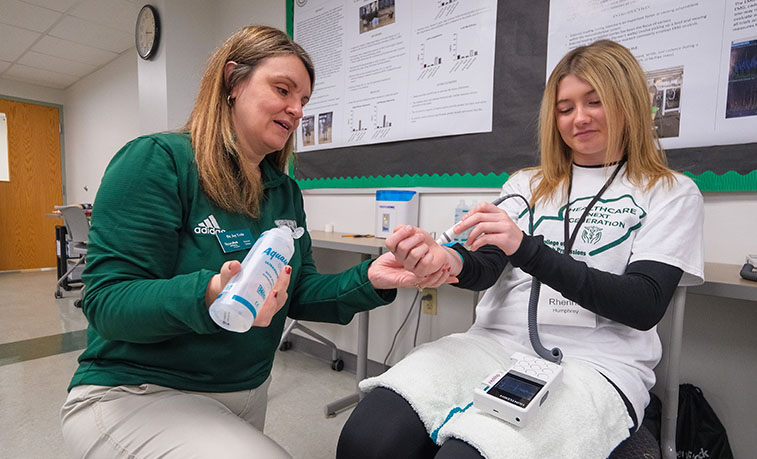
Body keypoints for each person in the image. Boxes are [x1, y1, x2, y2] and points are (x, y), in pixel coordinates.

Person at [60, 25, 425, 458]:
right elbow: (108, 303)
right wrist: (210, 293)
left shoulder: (283, 191)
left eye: (303, 101)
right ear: (233, 82)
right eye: (283, 90)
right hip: (139, 392)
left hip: (241, 395)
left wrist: (373, 278)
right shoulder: (158, 162)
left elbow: (299, 292)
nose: (296, 110)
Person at [337, 40, 704, 458]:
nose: (579, 118)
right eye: (565, 109)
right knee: (367, 438)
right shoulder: (526, 184)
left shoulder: (671, 193)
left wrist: (528, 249)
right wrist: (447, 260)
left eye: (594, 102)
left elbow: (643, 305)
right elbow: (488, 264)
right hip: (492, 345)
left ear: (629, 103)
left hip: (595, 366)